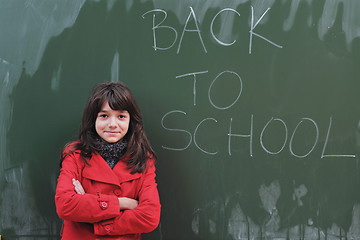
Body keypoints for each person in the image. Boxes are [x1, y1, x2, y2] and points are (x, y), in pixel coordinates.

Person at [55, 81, 161, 239]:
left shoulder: (143, 159)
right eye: (104, 116)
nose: (113, 124)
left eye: (121, 116)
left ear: (130, 121)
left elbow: (149, 217)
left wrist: (91, 213)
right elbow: (65, 205)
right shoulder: (75, 155)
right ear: (93, 120)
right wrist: (123, 203)